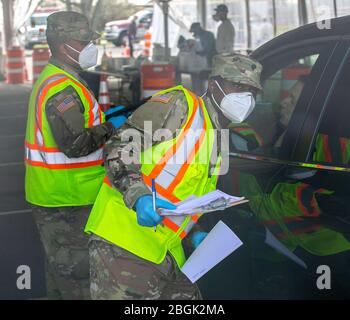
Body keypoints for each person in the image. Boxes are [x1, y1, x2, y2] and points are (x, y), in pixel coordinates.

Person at [84, 53, 263, 300]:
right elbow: (118, 148)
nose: (246, 97)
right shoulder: (180, 106)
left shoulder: (218, 133)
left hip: (167, 251)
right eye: (237, 86)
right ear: (213, 84)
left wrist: (194, 231)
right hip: (124, 245)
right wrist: (140, 197)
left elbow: (185, 195)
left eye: (252, 91)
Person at [24, 11, 124, 300]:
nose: (91, 46)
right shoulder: (61, 88)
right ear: (63, 43)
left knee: (60, 276)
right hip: (67, 201)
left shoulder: (59, 78)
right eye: (84, 41)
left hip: (57, 196)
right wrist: (111, 126)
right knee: (80, 281)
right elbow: (76, 144)